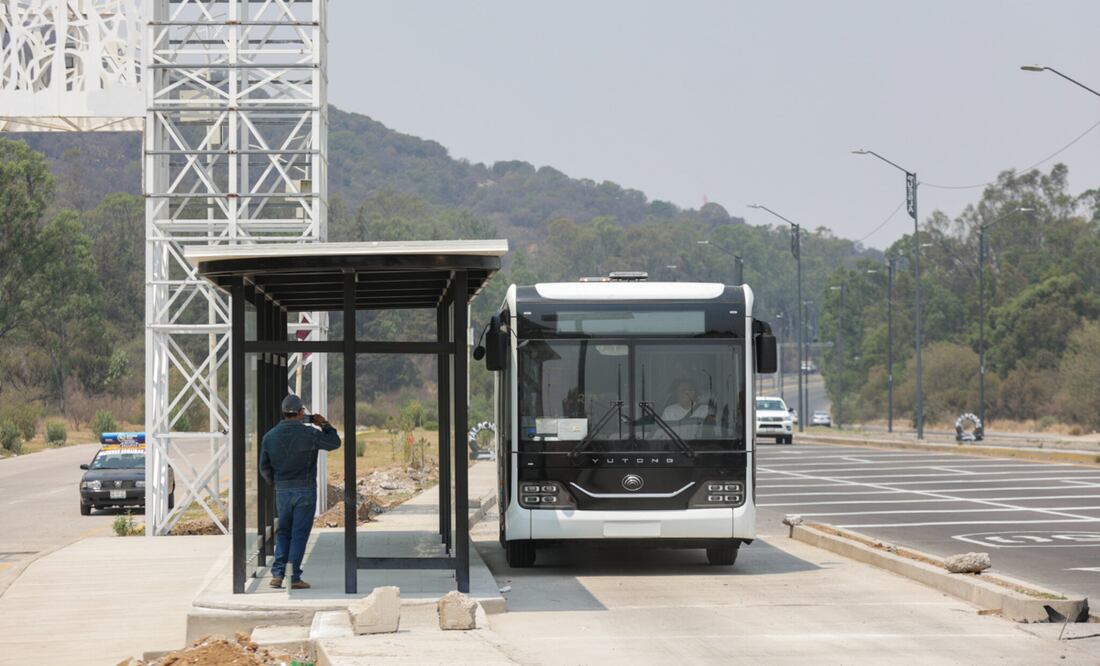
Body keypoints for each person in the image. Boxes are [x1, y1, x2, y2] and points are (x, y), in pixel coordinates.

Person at [260, 393, 341, 590]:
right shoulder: (310, 434)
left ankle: (277, 574)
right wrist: (324, 424)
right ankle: (294, 576)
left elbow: (265, 468)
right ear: (300, 413)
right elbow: (334, 443)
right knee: (299, 534)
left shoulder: (269, 437)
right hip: (305, 490)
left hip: (283, 490)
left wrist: (277, 484)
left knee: (284, 532)